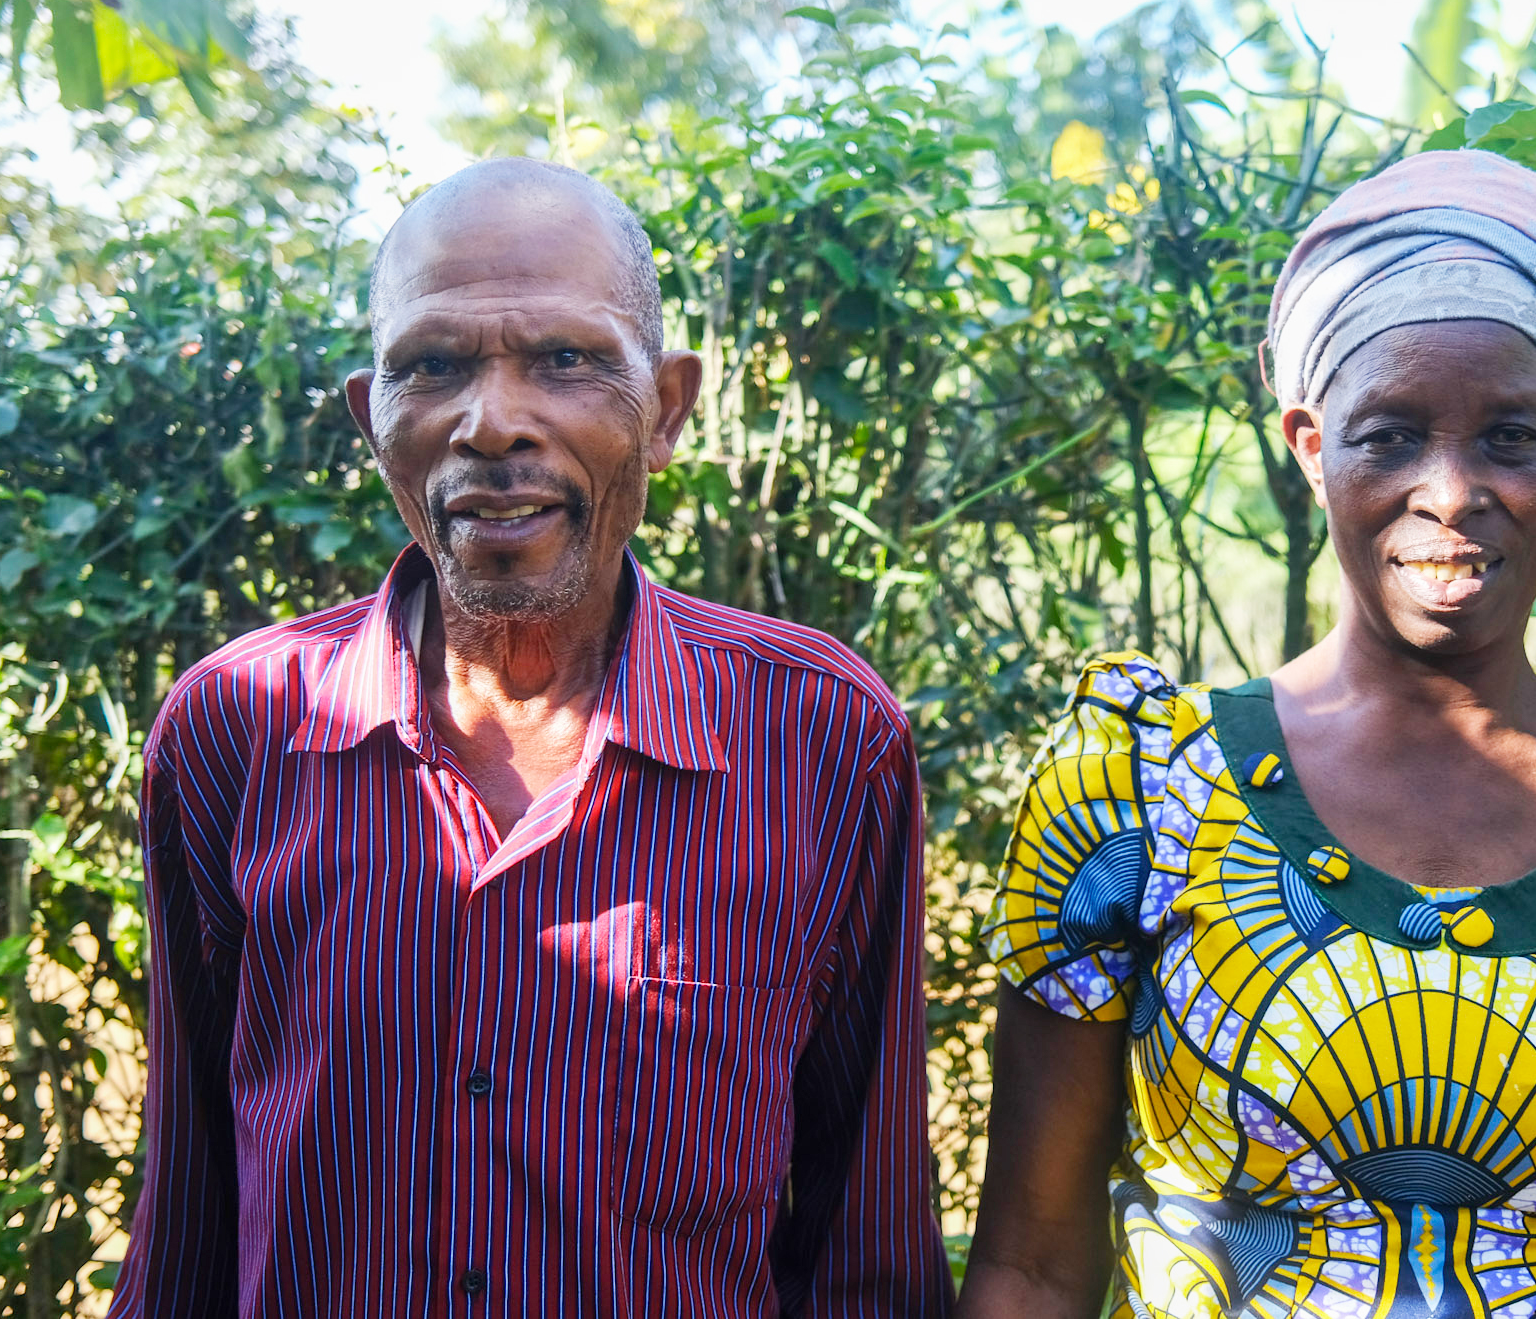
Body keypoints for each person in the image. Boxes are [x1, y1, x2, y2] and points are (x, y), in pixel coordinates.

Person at [957, 149, 1536, 1319]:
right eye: (1389, 435)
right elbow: (1030, 1266)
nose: (1450, 490)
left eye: (1512, 437)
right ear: (1311, 447)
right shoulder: (1139, 788)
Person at [110, 158, 951, 1318]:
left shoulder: (820, 738)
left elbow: (867, 1238)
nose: (492, 420)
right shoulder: (237, 730)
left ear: (663, 411)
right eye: (434, 366)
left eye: (564, 360)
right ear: (373, 419)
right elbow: (191, 1206)